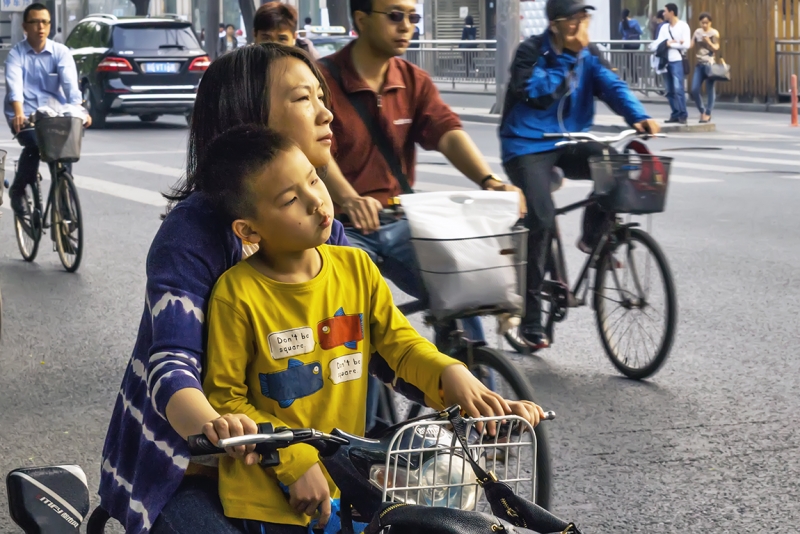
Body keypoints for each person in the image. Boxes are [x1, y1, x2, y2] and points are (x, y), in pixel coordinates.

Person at [199, 124, 545, 532]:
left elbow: (399, 346)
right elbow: (225, 400)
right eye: (291, 199)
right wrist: (295, 460)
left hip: (344, 482)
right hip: (266, 501)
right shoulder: (237, 294)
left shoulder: (356, 268)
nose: (316, 201)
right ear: (249, 230)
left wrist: (452, 376)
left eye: (313, 179)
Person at [97, 44, 358, 534]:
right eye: (304, 98)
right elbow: (171, 366)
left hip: (292, 466)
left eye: (322, 95)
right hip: (187, 472)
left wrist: (452, 382)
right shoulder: (190, 235)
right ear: (248, 124)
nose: (326, 111)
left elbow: (377, 339)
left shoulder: (323, 232)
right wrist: (220, 429)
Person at [317, 0, 524, 427]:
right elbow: (315, 150)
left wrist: (490, 181)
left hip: (399, 219)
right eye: (395, 16)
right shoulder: (323, 79)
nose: (407, 26)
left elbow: (447, 133)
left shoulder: (413, 80)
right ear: (360, 20)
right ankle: (367, 429)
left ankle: (483, 403)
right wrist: (348, 197)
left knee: (463, 282)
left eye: (413, 17)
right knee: (360, 319)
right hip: (342, 227)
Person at [498, 0, 660, 349]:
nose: (580, 26)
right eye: (573, 20)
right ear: (555, 24)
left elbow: (612, 85)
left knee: (615, 167)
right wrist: (568, 59)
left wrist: (637, 116)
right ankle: (530, 319)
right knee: (539, 219)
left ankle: (592, 235)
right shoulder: (530, 52)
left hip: (571, 141)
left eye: (583, 18)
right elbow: (534, 95)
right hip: (527, 145)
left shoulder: (589, 54)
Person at [3, 2, 90, 218]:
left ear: (50, 26)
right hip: (26, 116)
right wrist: (19, 112)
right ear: (25, 26)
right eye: (34, 22)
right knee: (33, 146)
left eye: (45, 22)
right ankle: (18, 190)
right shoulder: (17, 54)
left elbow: (71, 87)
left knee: (65, 155)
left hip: (55, 116)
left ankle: (65, 206)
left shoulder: (61, 53)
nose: (40, 27)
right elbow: (15, 87)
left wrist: (79, 111)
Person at [657, 3, 690, 124]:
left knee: (678, 88)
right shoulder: (664, 28)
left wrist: (670, 44)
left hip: (677, 60)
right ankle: (675, 113)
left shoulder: (683, 26)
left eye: (665, 11)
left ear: (671, 12)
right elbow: (659, 43)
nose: (663, 13)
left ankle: (683, 114)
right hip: (665, 61)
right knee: (669, 90)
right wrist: (668, 43)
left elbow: (686, 45)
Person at [253, 2, 320, 59]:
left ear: (294, 37)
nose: (274, 47)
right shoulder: (246, 61)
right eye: (266, 39)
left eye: (282, 39)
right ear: (255, 35)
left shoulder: (307, 53)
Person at [689, 12, 719, 123]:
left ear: (710, 22)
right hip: (699, 64)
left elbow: (716, 48)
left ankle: (708, 113)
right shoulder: (697, 32)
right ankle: (702, 110)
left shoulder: (714, 33)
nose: (705, 25)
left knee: (710, 89)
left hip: (710, 64)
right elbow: (691, 44)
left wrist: (709, 42)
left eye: (707, 23)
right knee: (694, 89)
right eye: (702, 23)